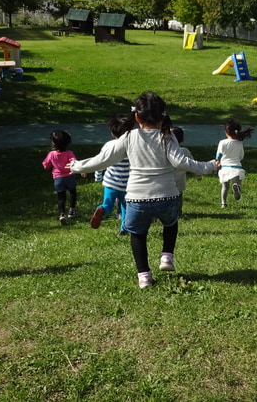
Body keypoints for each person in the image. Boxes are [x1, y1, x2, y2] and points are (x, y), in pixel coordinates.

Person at [70, 91, 218, 288]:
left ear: (137, 117)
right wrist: (211, 165)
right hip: (168, 196)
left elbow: (103, 160)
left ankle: (144, 276)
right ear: (163, 116)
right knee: (171, 223)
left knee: (138, 234)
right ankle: (167, 257)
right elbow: (183, 162)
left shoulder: (128, 137)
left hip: (137, 199)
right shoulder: (168, 137)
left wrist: (76, 166)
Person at [89, 116, 131, 231]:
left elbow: (100, 161)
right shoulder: (131, 146)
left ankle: (102, 209)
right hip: (126, 185)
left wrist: (98, 177)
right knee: (125, 207)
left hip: (110, 183)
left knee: (107, 204)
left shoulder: (109, 145)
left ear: (112, 133)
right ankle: (124, 229)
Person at [42, 130, 84, 224]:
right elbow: (74, 162)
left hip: (58, 178)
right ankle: (72, 211)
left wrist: (49, 166)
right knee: (73, 192)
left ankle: (61, 214)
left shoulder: (51, 154)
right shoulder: (69, 153)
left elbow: (46, 166)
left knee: (61, 197)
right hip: (70, 176)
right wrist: (81, 170)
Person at [216, 119, 254, 208]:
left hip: (224, 168)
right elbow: (241, 156)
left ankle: (223, 203)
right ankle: (237, 187)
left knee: (225, 187)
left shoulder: (222, 142)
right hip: (236, 168)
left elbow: (219, 155)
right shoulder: (239, 143)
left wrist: (218, 161)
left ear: (226, 132)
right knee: (238, 183)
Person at [171, 126, 202, 217]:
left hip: (166, 181)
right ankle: (178, 213)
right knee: (178, 198)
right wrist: (198, 174)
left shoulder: (165, 151)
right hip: (180, 182)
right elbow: (193, 164)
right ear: (182, 140)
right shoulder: (184, 151)